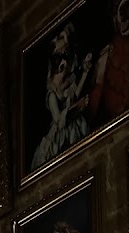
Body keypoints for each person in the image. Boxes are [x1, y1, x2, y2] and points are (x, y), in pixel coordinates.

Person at [31, 24, 93, 169]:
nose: (63, 65)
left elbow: (75, 94)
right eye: (59, 59)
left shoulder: (67, 84)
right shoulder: (52, 95)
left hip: (73, 127)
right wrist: (76, 107)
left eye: (65, 58)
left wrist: (85, 72)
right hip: (59, 135)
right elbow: (59, 121)